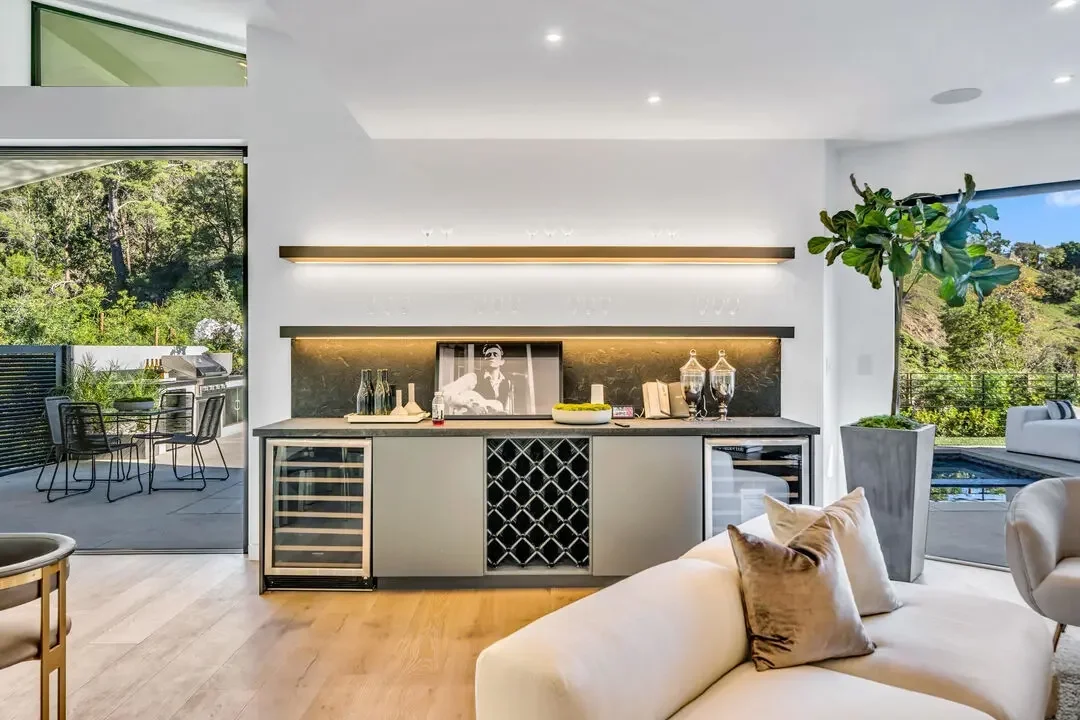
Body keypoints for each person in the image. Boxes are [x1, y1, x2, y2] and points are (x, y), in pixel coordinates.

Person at [475, 343, 515, 414]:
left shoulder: (507, 382)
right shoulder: (475, 378)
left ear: (502, 362)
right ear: (485, 360)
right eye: (488, 355)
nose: (492, 356)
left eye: (495, 354)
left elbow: (507, 408)